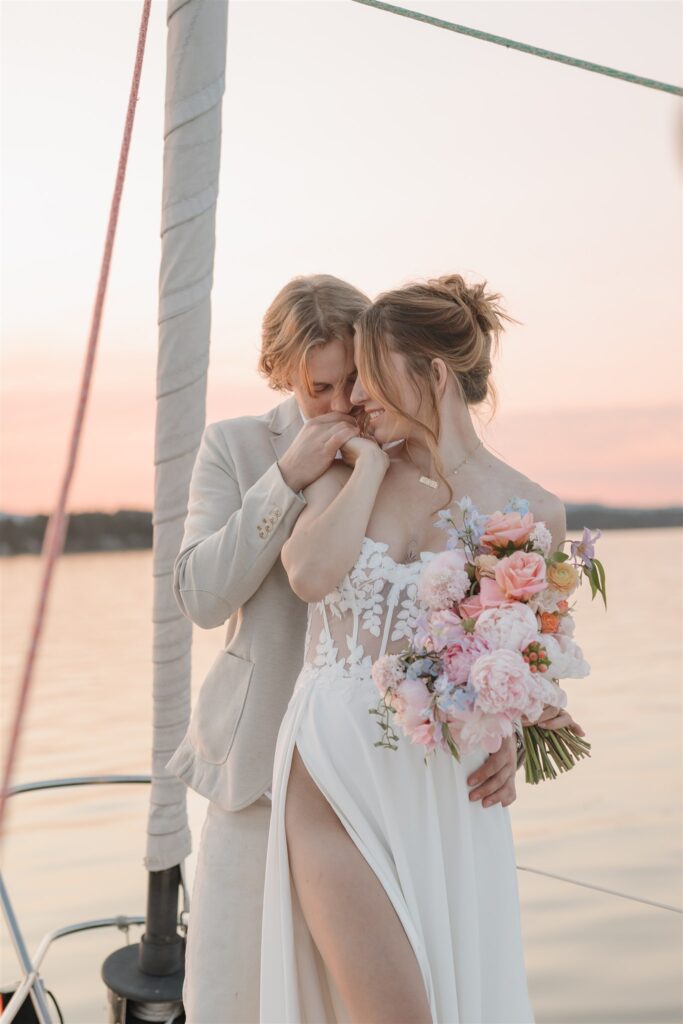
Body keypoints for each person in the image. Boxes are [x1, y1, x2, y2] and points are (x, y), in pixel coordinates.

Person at [166, 273, 578, 1022]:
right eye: (321, 387)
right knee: (233, 998)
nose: (344, 403)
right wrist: (290, 477)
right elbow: (202, 595)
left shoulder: (441, 475)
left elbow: (496, 622)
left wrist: (503, 719)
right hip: (273, 763)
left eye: (357, 380)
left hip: (413, 770)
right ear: (286, 376)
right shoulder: (242, 449)